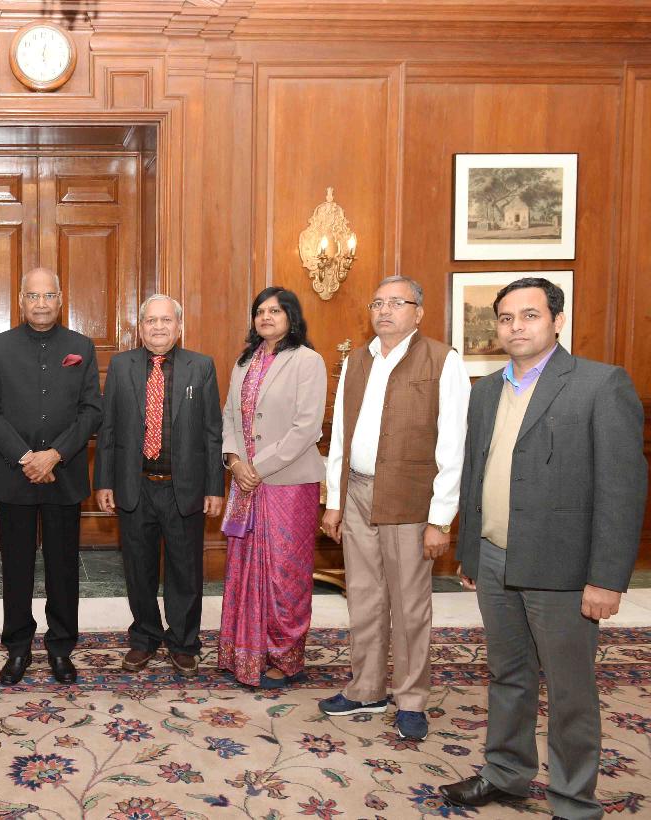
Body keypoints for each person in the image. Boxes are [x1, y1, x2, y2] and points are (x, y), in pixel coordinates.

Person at [439, 278, 646, 819]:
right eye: (506, 318)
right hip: (494, 559)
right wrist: (469, 552)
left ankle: (573, 801)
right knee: (507, 675)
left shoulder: (600, 384)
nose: (516, 327)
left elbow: (622, 490)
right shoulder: (485, 390)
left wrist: (607, 578)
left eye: (529, 315)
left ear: (557, 320)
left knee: (570, 690)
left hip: (563, 569)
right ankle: (506, 773)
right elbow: (476, 473)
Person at [319, 275, 471, 741]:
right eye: (377, 303)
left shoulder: (443, 360)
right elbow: (341, 434)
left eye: (396, 303)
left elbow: (454, 445)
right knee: (364, 598)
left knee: (409, 606)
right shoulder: (357, 360)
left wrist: (440, 518)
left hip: (410, 499)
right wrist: (334, 501)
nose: (384, 311)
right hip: (358, 494)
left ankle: (411, 699)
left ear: (418, 312)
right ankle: (366, 688)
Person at [0, 267, 102, 686]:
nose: (41, 303)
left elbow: (92, 411)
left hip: (64, 475)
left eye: (49, 295)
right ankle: (18, 649)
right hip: (14, 476)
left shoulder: (81, 347)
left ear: (60, 299)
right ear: (21, 300)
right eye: (33, 296)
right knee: (16, 568)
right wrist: (27, 457)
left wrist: (55, 455)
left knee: (64, 568)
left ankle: (61, 648)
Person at [94, 294, 224, 677]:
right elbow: (108, 428)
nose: (158, 327)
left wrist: (214, 487)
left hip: (184, 488)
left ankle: (183, 643)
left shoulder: (201, 367)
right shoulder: (121, 366)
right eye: (151, 320)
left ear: (179, 326)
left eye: (166, 320)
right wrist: (104, 481)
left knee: (185, 571)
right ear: (140, 327)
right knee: (139, 569)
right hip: (135, 486)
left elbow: (212, 432)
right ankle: (145, 638)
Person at [217, 286, 326, 688]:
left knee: (284, 575)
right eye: (260, 310)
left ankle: (285, 656)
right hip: (246, 482)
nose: (266, 317)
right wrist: (234, 462)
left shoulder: (307, 361)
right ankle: (246, 652)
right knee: (244, 569)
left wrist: (257, 468)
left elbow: (307, 428)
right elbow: (229, 417)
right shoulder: (244, 362)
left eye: (276, 311)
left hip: (288, 485)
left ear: (291, 317)